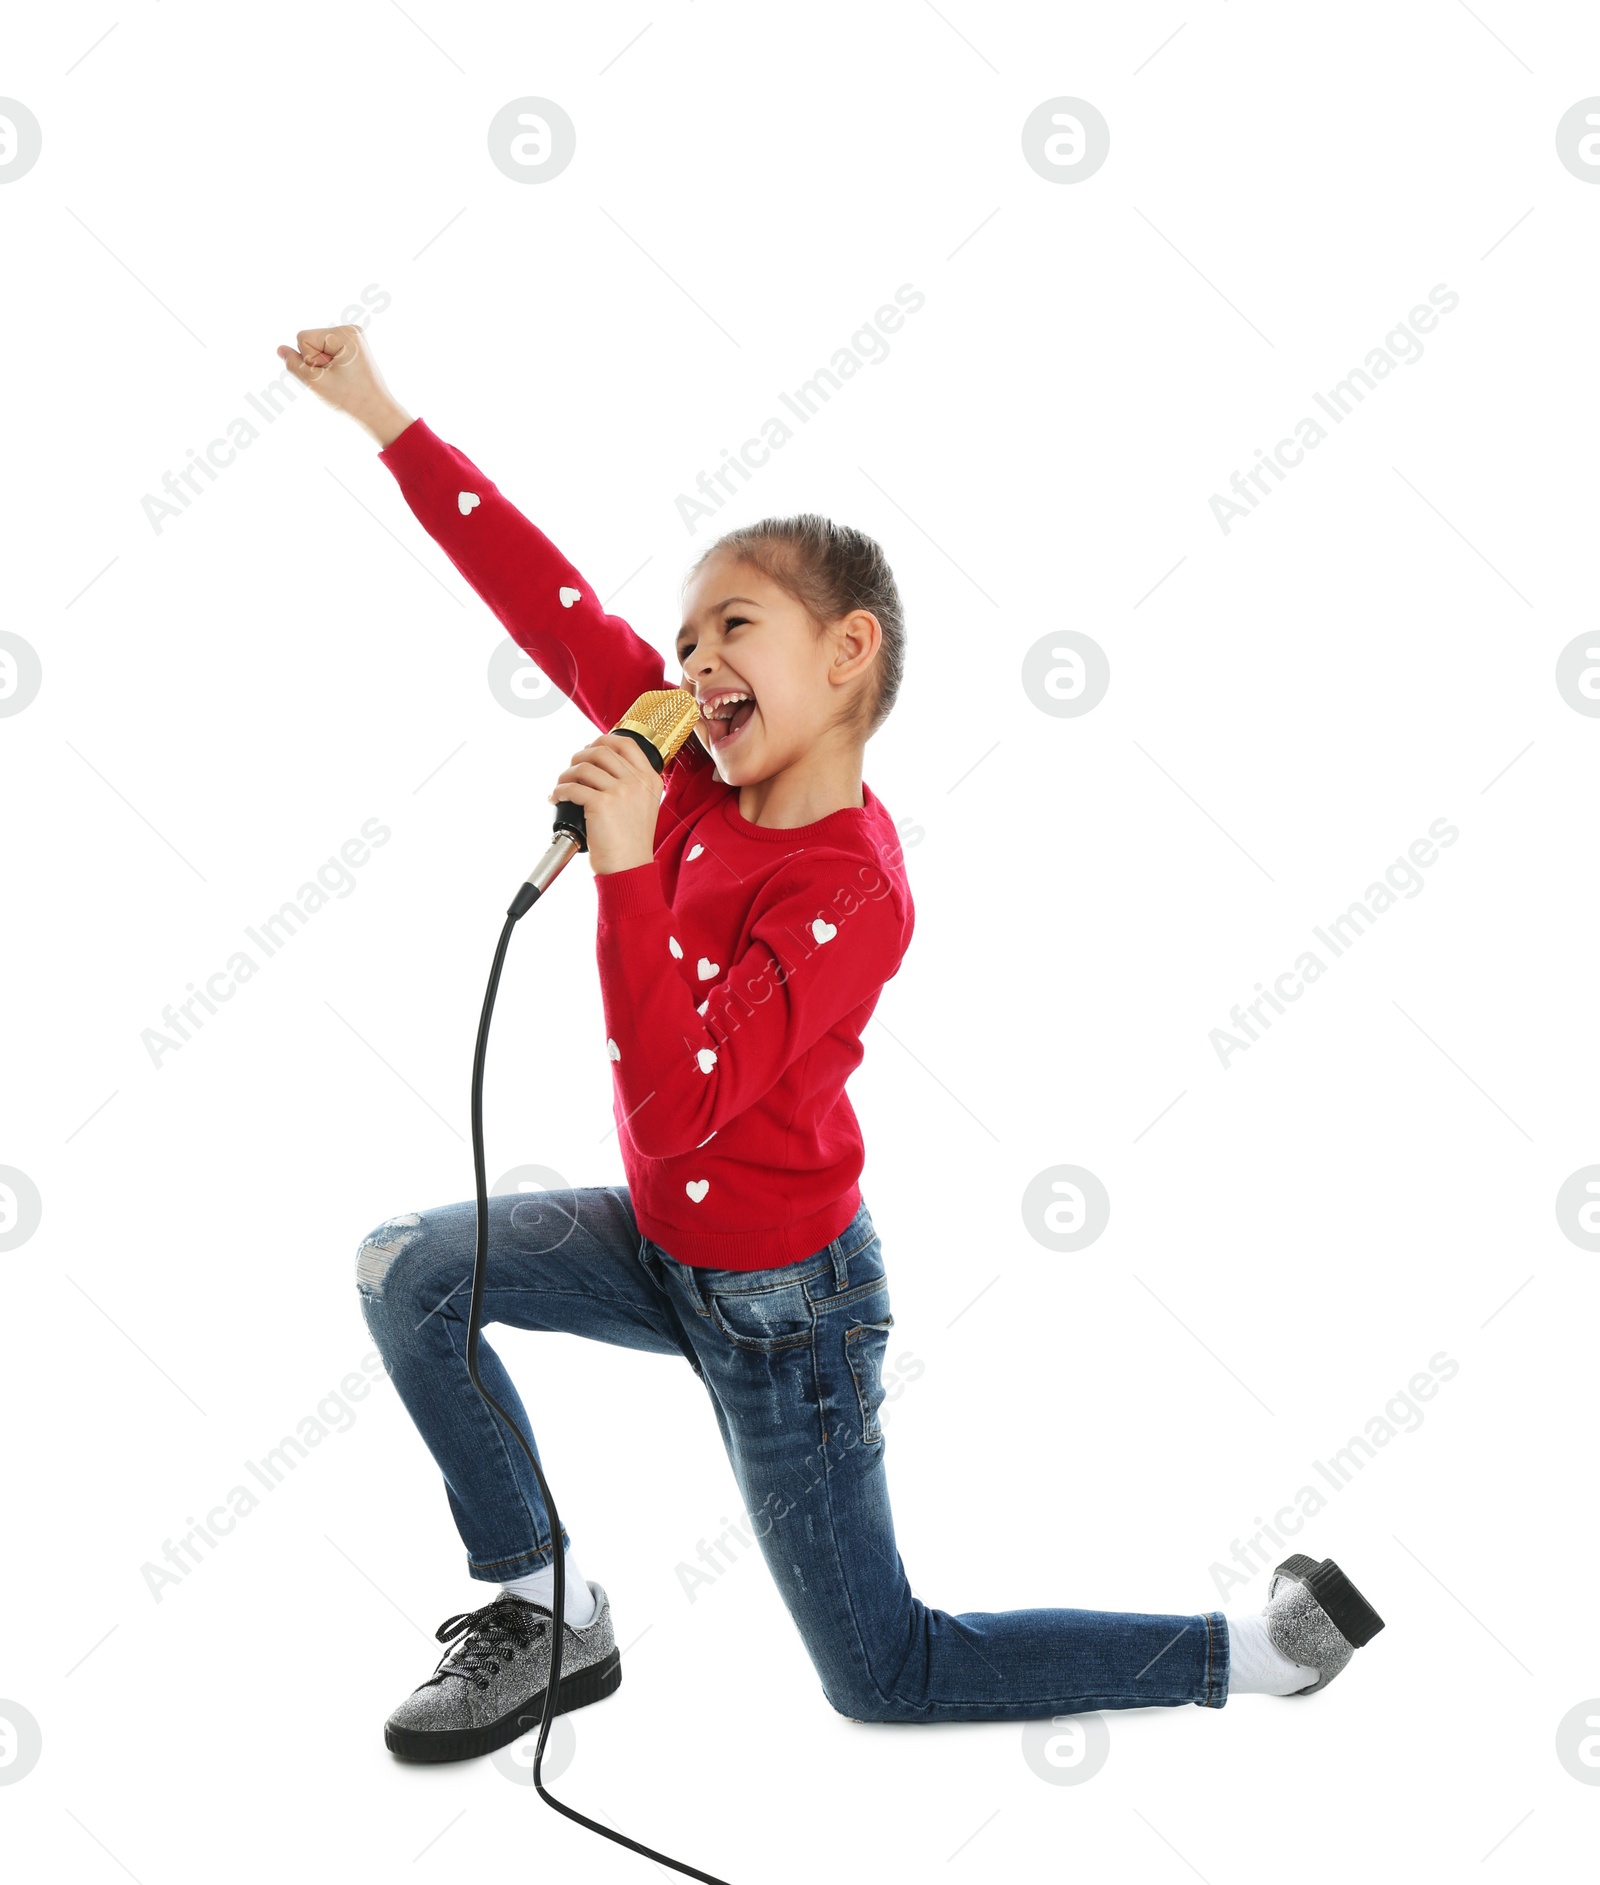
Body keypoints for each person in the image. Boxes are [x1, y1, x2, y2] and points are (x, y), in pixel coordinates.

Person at [275, 323, 1385, 1764]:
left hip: (785, 1317)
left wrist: (619, 871)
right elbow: (548, 606)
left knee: (884, 1669)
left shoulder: (849, 888)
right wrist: (381, 414)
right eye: (681, 640)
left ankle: (1253, 1657)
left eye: (731, 626)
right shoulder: (687, 777)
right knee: (405, 1270)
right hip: (664, 1247)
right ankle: (550, 1607)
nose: (689, 660)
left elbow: (679, 1109)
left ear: (848, 651)